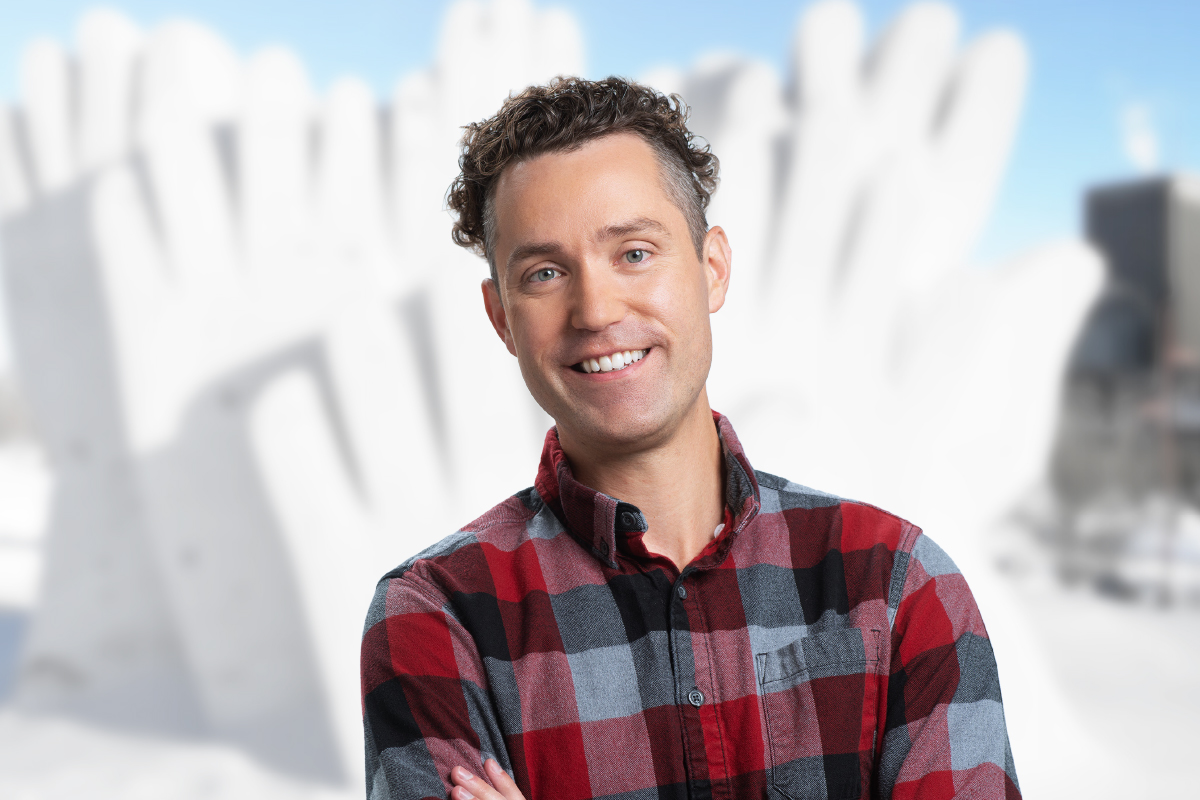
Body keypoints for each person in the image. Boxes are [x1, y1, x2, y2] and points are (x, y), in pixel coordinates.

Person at [360, 76, 1020, 800]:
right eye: (545, 273)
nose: (597, 308)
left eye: (635, 253)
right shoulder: (436, 616)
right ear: (501, 318)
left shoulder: (897, 586)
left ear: (711, 270)